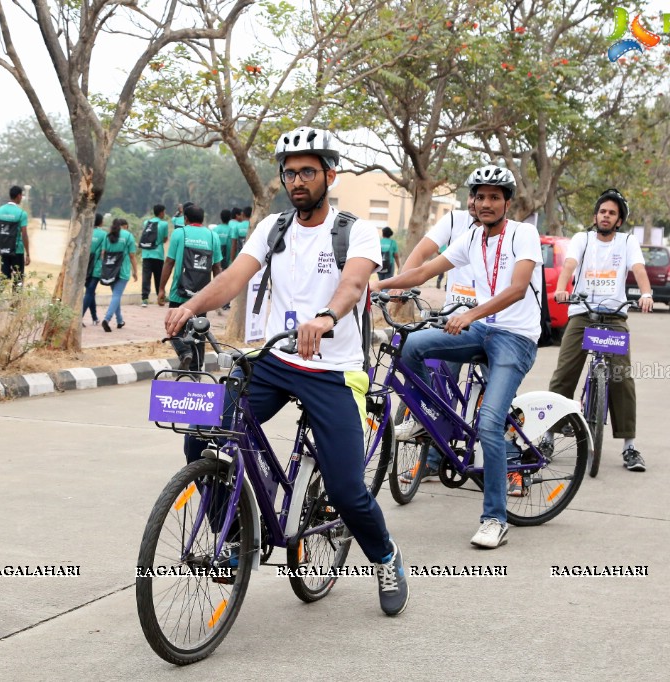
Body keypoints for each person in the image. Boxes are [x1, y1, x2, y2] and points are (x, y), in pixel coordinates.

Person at [164, 127, 408, 616]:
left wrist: (327, 318)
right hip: (275, 361)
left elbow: (354, 282)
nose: (297, 180)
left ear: (328, 175)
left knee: (346, 490)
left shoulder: (353, 231)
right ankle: (234, 537)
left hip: (334, 371)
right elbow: (235, 276)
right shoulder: (273, 227)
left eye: (308, 171)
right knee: (202, 433)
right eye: (290, 172)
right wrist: (188, 306)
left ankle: (385, 557)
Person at [375, 164, 543, 550]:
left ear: (507, 203)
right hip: (482, 329)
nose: (485, 204)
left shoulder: (524, 234)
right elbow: (421, 273)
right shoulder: (469, 238)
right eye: (479, 197)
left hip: (514, 338)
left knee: (488, 423)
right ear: (471, 201)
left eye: (494, 198)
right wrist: (376, 286)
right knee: (413, 347)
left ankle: (495, 519)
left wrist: (469, 314)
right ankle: (426, 419)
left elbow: (518, 289)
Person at [549, 189, 653, 473]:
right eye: (603, 211)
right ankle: (548, 435)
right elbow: (570, 265)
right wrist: (561, 289)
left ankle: (629, 446)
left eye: (612, 213)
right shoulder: (582, 239)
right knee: (565, 372)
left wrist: (646, 293)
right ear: (596, 216)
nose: (606, 216)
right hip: (582, 313)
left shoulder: (627, 241)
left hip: (614, 317)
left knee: (621, 378)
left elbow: (639, 268)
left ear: (619, 221)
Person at [393, 188, 480, 484]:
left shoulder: (506, 232)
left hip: (490, 321)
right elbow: (421, 254)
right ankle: (431, 461)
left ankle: (510, 462)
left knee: (496, 394)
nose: (477, 203)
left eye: (487, 196)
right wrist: (400, 288)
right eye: (474, 195)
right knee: (437, 388)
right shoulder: (455, 221)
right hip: (452, 317)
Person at [158, 204, 222, 368]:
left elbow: (169, 262)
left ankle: (184, 352)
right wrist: (218, 293)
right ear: (203, 219)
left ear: (185, 219)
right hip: (202, 296)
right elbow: (217, 267)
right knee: (199, 330)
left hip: (179, 292)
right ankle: (197, 369)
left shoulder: (180, 233)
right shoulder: (212, 236)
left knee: (173, 327)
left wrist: (161, 289)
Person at [0, 185, 30, 294]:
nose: (21, 198)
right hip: (17, 250)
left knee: (5, 275)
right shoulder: (21, 213)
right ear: (18, 196)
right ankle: (14, 307)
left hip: (3, 250)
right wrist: (28, 254)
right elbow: (24, 234)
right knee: (18, 278)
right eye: (21, 196)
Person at [99, 218, 138, 332]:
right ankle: (107, 319)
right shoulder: (128, 236)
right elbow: (132, 256)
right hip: (123, 269)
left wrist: (105, 267)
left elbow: (103, 254)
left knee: (116, 296)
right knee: (116, 296)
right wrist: (135, 272)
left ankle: (120, 321)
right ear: (124, 226)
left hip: (110, 270)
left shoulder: (108, 236)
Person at [140, 204, 169, 307]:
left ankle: (144, 299)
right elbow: (165, 239)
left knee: (146, 276)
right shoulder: (164, 224)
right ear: (161, 212)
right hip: (158, 254)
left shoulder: (146, 222)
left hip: (146, 253)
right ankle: (160, 296)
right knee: (159, 277)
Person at [82, 213, 107, 326]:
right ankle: (79, 317)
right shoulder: (104, 234)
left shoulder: (85, 232)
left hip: (84, 267)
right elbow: (103, 253)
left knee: (90, 292)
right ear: (101, 222)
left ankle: (95, 317)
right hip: (96, 267)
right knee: (90, 291)